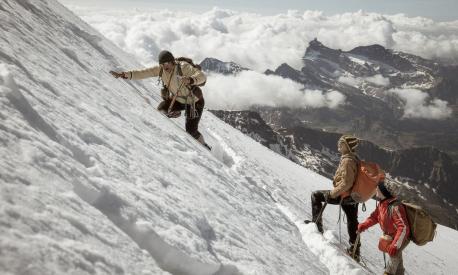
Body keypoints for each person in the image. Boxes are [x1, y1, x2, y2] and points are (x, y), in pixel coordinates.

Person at [111, 50, 210, 149]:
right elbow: (143, 73)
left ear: (172, 62)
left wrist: (190, 80)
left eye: (167, 63)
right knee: (161, 109)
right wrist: (124, 74)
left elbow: (202, 77)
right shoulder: (161, 70)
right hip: (178, 100)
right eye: (162, 64)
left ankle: (205, 147)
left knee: (191, 130)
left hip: (194, 102)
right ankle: (174, 114)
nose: (164, 66)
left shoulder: (183, 67)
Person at [304, 135, 361, 260]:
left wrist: (332, 193)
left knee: (316, 195)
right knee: (352, 222)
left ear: (347, 146)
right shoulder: (354, 158)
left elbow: (346, 183)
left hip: (344, 195)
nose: (338, 145)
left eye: (341, 143)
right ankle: (355, 250)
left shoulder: (347, 161)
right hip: (353, 197)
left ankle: (317, 227)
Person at [357, 181, 410, 275]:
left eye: (379, 188)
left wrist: (395, 245)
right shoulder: (382, 204)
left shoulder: (395, 207)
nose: (376, 189)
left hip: (401, 237)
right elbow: (374, 217)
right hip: (392, 236)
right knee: (397, 259)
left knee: (394, 255)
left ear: (384, 192)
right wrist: (364, 225)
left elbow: (403, 227)